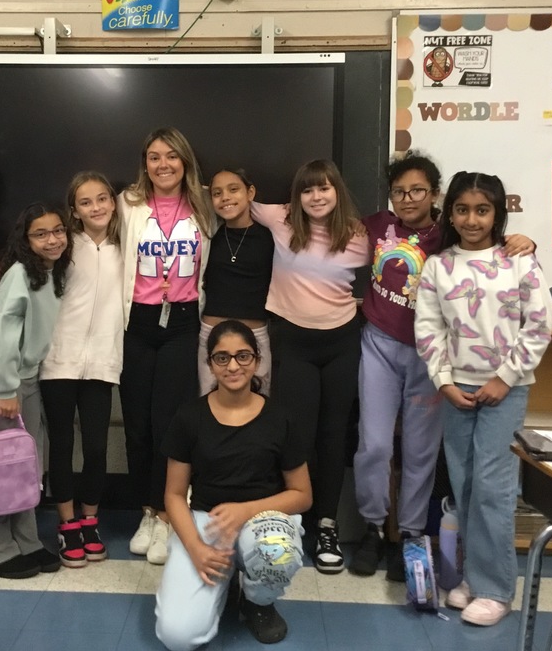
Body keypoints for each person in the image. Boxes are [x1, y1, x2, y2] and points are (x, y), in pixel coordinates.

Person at [350, 153, 535, 581]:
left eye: (417, 190)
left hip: (431, 357)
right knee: (374, 444)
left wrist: (525, 242)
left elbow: (493, 245)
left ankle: (411, 535)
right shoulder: (376, 225)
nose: (407, 199)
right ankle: (374, 528)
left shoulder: (449, 236)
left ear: (435, 194)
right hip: (378, 346)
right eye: (399, 191)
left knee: (420, 450)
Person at [414, 171, 552, 626]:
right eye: (462, 209)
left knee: (494, 489)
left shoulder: (518, 261)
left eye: (482, 210)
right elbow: (429, 328)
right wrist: (443, 381)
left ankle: (496, 589)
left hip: (504, 390)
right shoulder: (438, 266)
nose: (471, 220)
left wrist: (505, 378)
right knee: (467, 485)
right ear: (449, 212)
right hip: (457, 391)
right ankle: (476, 576)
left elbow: (539, 324)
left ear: (497, 213)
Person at [155, 320, 311, 651]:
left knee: (276, 552)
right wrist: (196, 550)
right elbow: (173, 495)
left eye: (242, 355)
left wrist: (246, 511)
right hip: (207, 523)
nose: (233, 365)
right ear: (210, 364)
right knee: (178, 637)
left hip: (264, 521)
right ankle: (225, 585)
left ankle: (257, 602)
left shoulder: (281, 417)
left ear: (256, 360)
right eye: (222, 358)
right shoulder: (189, 417)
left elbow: (302, 495)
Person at [251, 159, 367, 574]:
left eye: (324, 188)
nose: (316, 197)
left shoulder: (358, 233)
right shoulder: (280, 218)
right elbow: (230, 197)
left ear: (337, 190)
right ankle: (293, 522)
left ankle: (327, 525)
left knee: (334, 434)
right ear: (296, 196)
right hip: (294, 341)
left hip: (341, 341)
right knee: (297, 434)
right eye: (307, 190)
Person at [119, 126, 212, 565]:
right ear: (145, 163)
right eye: (154, 157)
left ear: (185, 160)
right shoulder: (127, 204)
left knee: (169, 423)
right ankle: (144, 510)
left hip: (182, 321)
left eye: (171, 156)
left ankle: (165, 514)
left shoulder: (206, 204)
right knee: (137, 425)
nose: (163, 165)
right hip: (136, 322)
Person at [0, 202, 73, 579]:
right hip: (12, 383)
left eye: (58, 230)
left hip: (28, 379)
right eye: (41, 233)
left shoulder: (49, 272)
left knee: (25, 465)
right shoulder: (19, 274)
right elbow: (3, 333)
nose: (53, 239)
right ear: (25, 239)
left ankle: (26, 541)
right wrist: (6, 387)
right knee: (4, 466)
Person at [40, 172, 123, 568]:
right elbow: (25, 283)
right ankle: (67, 523)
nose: (97, 207)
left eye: (103, 198)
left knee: (95, 446)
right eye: (86, 202)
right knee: (60, 443)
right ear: (74, 210)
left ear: (114, 201)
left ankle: (90, 520)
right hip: (59, 359)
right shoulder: (63, 245)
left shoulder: (127, 247)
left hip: (103, 362)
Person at [198, 168, 274, 395]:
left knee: (257, 405)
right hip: (211, 334)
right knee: (210, 403)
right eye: (217, 193)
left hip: (255, 337)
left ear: (250, 192)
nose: (226, 198)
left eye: (234, 190)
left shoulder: (271, 236)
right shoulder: (208, 234)